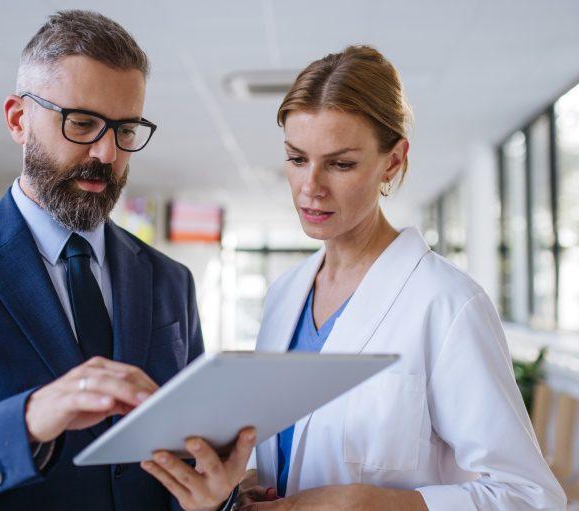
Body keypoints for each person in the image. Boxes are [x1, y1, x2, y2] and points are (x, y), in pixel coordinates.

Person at [0, 10, 252, 511]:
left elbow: (189, 456)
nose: (106, 152)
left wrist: (216, 499)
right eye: (82, 123)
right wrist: (27, 419)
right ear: (18, 119)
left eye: (125, 129)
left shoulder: (169, 280)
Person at [145, 46, 566, 511]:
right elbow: (290, 455)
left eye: (341, 164)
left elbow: (530, 496)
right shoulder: (285, 295)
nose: (311, 187)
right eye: (296, 158)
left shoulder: (447, 302)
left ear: (393, 160)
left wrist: (377, 504)